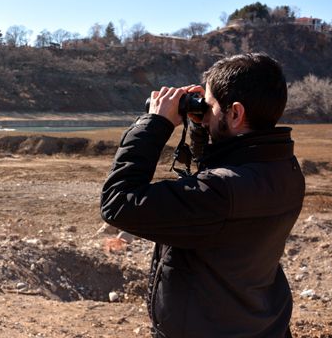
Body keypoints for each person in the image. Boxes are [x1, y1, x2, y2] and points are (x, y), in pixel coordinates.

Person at [100, 53, 304, 338]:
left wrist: (155, 124)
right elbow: (221, 173)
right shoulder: (285, 170)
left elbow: (119, 202)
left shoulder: (220, 194)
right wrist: (201, 124)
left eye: (209, 106)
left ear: (235, 113)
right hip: (262, 325)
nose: (205, 112)